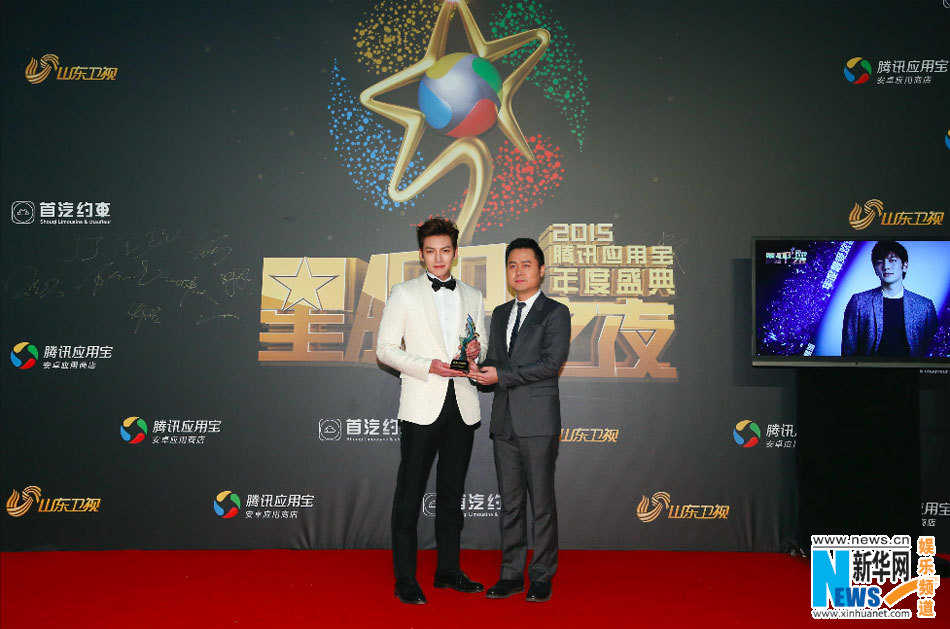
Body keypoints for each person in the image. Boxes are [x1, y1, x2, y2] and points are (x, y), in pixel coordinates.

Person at [376, 217, 487, 604]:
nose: (438, 258)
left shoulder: (473, 294)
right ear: (421, 254)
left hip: (462, 404)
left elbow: (480, 346)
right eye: (430, 251)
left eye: (445, 251)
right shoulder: (404, 293)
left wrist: (476, 352)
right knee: (409, 494)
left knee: (452, 493)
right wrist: (428, 366)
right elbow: (385, 350)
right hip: (422, 402)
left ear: (455, 252)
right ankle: (405, 577)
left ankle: (448, 570)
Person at [469, 237, 571, 603]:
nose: (519, 271)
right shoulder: (499, 313)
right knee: (510, 504)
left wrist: (501, 375)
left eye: (526, 264)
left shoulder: (555, 312)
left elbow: (550, 364)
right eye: (512, 265)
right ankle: (511, 574)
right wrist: (477, 366)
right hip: (504, 421)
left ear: (541, 270)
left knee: (541, 503)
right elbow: (499, 362)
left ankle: (541, 576)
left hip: (538, 422)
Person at [842, 240, 938, 357]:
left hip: (912, 369)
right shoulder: (859, 302)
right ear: (875, 269)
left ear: (905, 266)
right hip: (869, 368)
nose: (886, 267)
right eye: (880, 262)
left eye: (892, 260)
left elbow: (934, 352)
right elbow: (848, 351)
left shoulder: (925, 306)